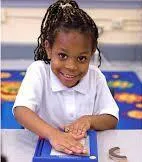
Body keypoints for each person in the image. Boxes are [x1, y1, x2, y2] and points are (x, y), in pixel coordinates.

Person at [13, 0, 119, 155]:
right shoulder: (38, 71)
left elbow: (112, 118)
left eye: (82, 58)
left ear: (92, 53)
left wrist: (89, 120)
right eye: (62, 55)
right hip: (38, 148)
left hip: (81, 151)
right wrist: (53, 134)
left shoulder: (96, 77)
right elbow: (21, 111)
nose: (71, 66)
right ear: (48, 48)